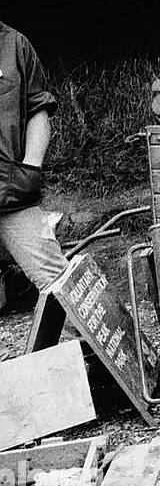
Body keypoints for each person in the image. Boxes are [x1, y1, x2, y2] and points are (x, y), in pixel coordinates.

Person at [0, 20, 67, 304]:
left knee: (63, 285)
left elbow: (38, 110)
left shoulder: (14, 44)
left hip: (9, 194)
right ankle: (12, 282)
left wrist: (30, 167)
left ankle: (125, 348)